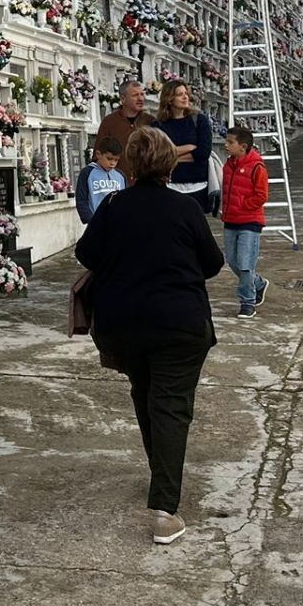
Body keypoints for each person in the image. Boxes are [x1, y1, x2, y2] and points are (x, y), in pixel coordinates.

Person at [75, 127, 224, 545]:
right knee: (171, 406)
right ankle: (163, 508)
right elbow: (213, 263)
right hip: (179, 322)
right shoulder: (185, 209)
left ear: (130, 165)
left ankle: (161, 476)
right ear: (169, 163)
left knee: (145, 395)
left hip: (124, 323)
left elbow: (85, 254)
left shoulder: (115, 206)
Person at [219, 124, 271, 317]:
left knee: (245, 262)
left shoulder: (257, 166)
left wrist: (242, 205)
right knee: (232, 260)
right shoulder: (228, 165)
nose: (226, 145)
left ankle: (247, 301)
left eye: (230, 142)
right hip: (231, 220)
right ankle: (258, 283)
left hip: (249, 220)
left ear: (243, 146)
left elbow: (261, 195)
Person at [155, 79, 214, 201]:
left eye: (186, 93)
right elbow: (157, 155)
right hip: (169, 185)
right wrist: (189, 148)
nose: (185, 97)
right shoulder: (158, 125)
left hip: (198, 186)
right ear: (169, 98)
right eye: (179, 94)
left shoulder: (199, 121)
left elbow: (203, 153)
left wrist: (171, 156)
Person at [93, 80, 156, 157]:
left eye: (142, 94)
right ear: (123, 99)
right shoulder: (109, 122)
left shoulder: (151, 121)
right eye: (135, 95)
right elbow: (99, 156)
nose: (141, 99)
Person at [76, 140, 126, 223]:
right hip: (97, 224)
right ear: (98, 154)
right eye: (109, 159)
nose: (112, 163)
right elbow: (81, 200)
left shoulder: (120, 176)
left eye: (116, 160)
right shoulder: (87, 173)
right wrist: (91, 220)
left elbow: (126, 200)